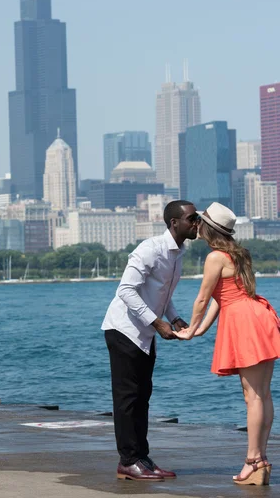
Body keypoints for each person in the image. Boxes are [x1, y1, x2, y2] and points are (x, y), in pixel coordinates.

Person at [173, 202, 280, 486]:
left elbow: (204, 299)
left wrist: (190, 329)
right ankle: (261, 460)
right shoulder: (239, 254)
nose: (197, 226)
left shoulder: (215, 257)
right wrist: (201, 329)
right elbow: (222, 297)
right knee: (263, 395)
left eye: (200, 222)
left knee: (252, 397)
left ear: (207, 228)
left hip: (244, 322)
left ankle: (253, 461)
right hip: (260, 315)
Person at [101, 200, 200, 481]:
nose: (197, 223)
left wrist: (175, 317)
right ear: (174, 223)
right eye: (192, 218)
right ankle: (127, 461)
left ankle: (141, 459)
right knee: (127, 399)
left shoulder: (177, 253)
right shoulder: (150, 249)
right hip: (124, 330)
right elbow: (126, 290)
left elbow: (161, 293)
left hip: (143, 333)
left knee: (142, 397)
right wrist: (157, 323)